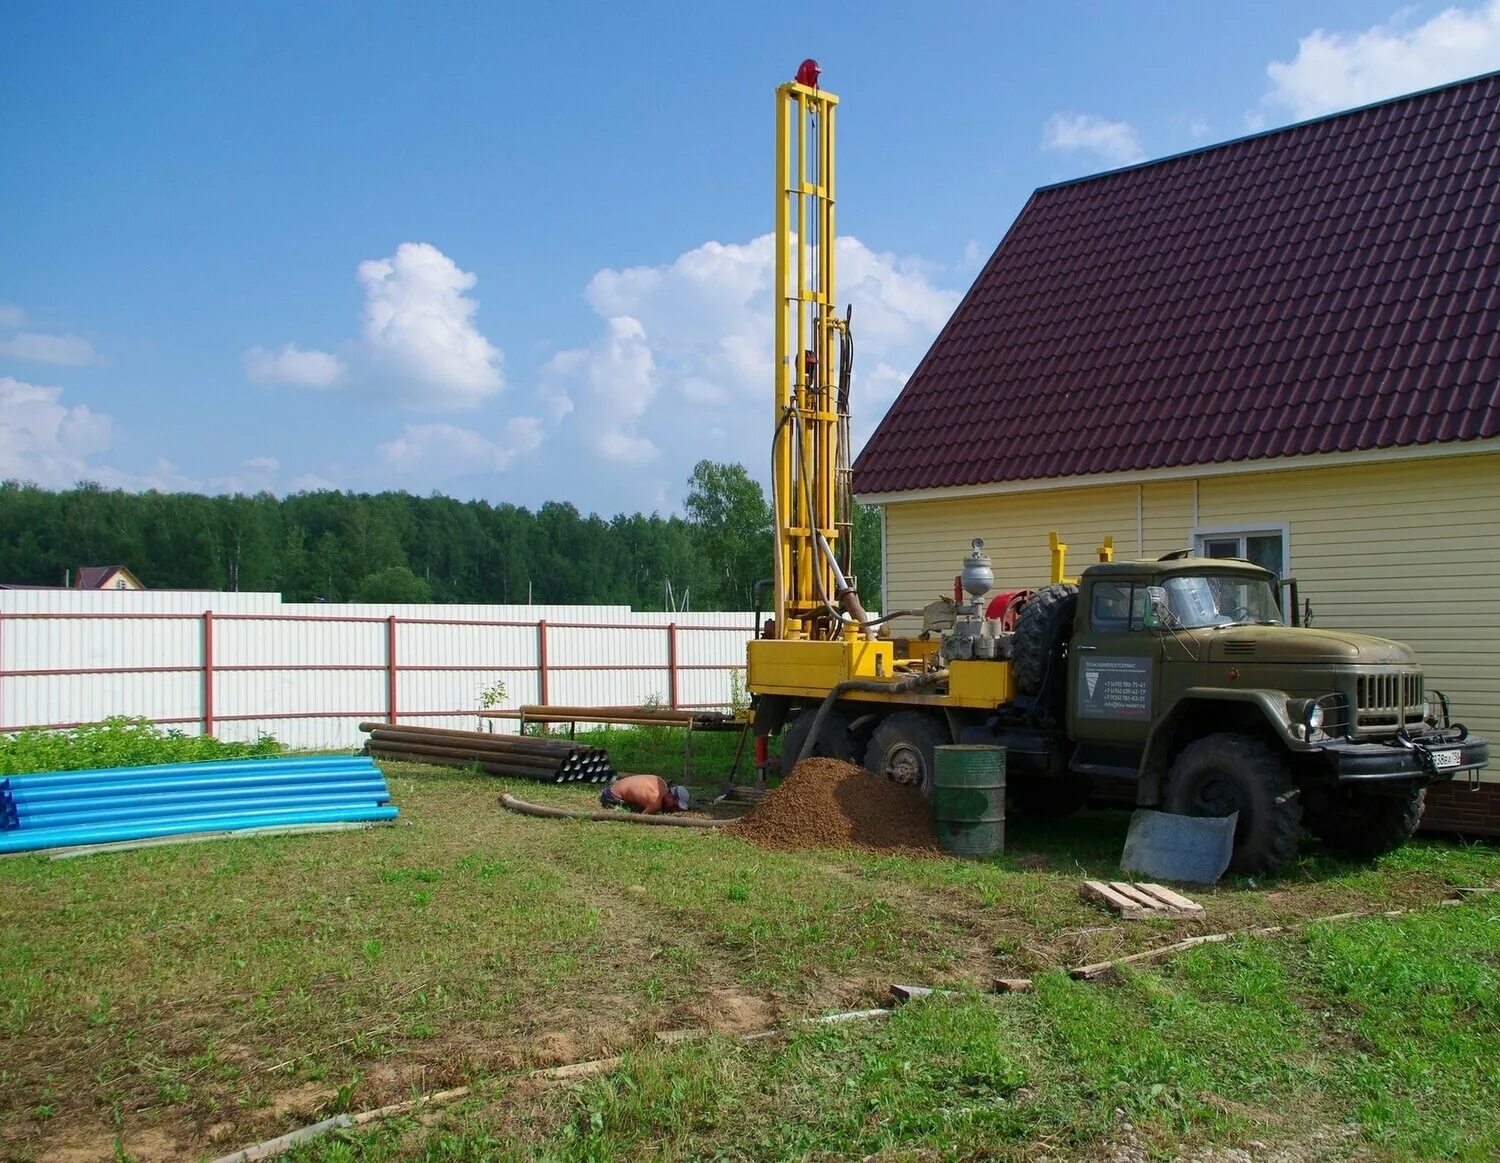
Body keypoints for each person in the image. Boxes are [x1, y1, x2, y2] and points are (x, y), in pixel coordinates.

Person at [599, 774, 690, 814]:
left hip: (610, 789)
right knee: (628, 811)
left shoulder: (661, 783)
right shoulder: (655, 801)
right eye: (675, 805)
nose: (674, 808)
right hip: (611, 798)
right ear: (671, 795)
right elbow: (644, 817)